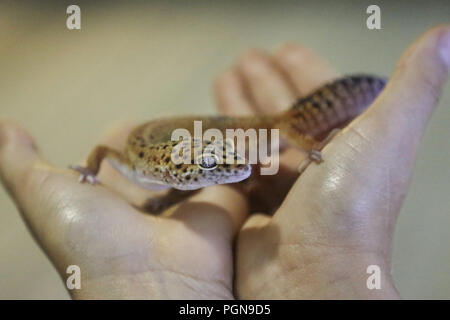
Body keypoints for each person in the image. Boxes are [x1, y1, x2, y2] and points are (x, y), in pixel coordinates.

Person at [0, 25, 449, 299]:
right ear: (181, 170)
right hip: (183, 138)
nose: (241, 170)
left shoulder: (191, 162)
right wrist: (90, 173)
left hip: (201, 132)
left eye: (227, 164)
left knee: (282, 125)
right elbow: (104, 155)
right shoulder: (136, 164)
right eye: (218, 168)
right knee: (277, 127)